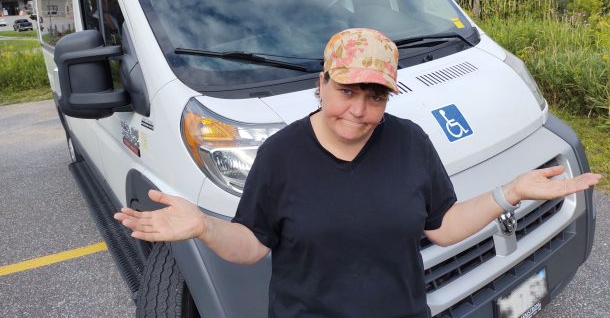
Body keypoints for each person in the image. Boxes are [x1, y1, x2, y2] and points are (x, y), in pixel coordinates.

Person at [114, 28, 601, 318]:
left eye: (376, 96)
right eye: (348, 90)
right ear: (321, 83)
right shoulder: (280, 156)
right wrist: (203, 225)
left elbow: (443, 225)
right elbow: (253, 245)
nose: (360, 111)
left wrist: (510, 191)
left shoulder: (408, 141)